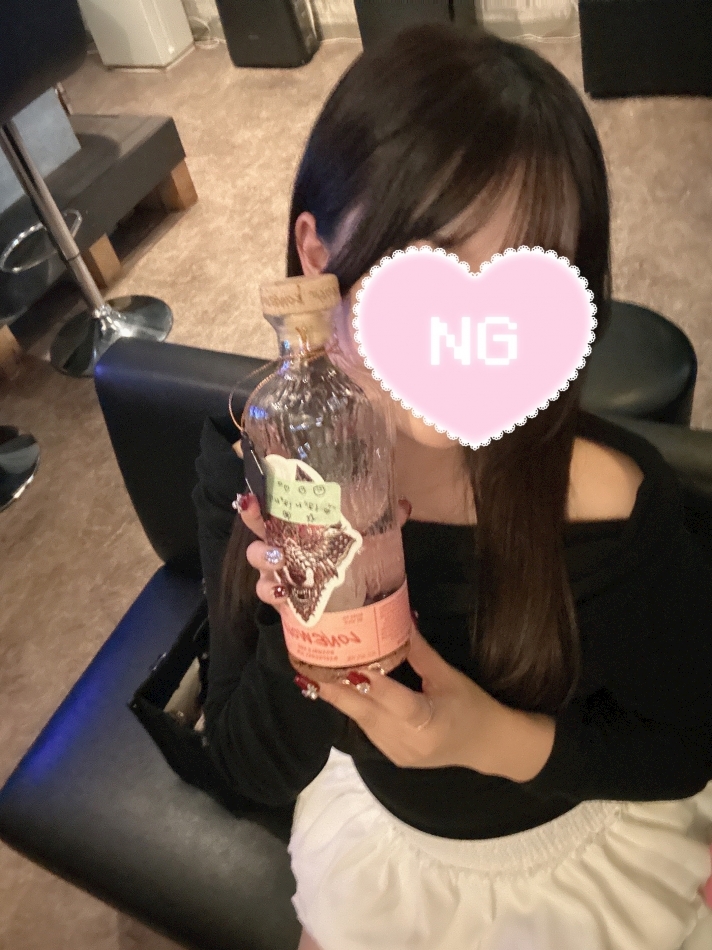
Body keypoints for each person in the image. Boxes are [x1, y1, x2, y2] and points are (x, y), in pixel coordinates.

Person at [191, 23, 712, 950]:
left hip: (570, 854)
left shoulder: (611, 511)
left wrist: (486, 738)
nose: (470, 334)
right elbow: (245, 762)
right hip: (382, 846)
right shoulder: (253, 463)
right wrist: (301, 632)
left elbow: (687, 743)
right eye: (432, 262)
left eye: (523, 282)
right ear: (317, 253)